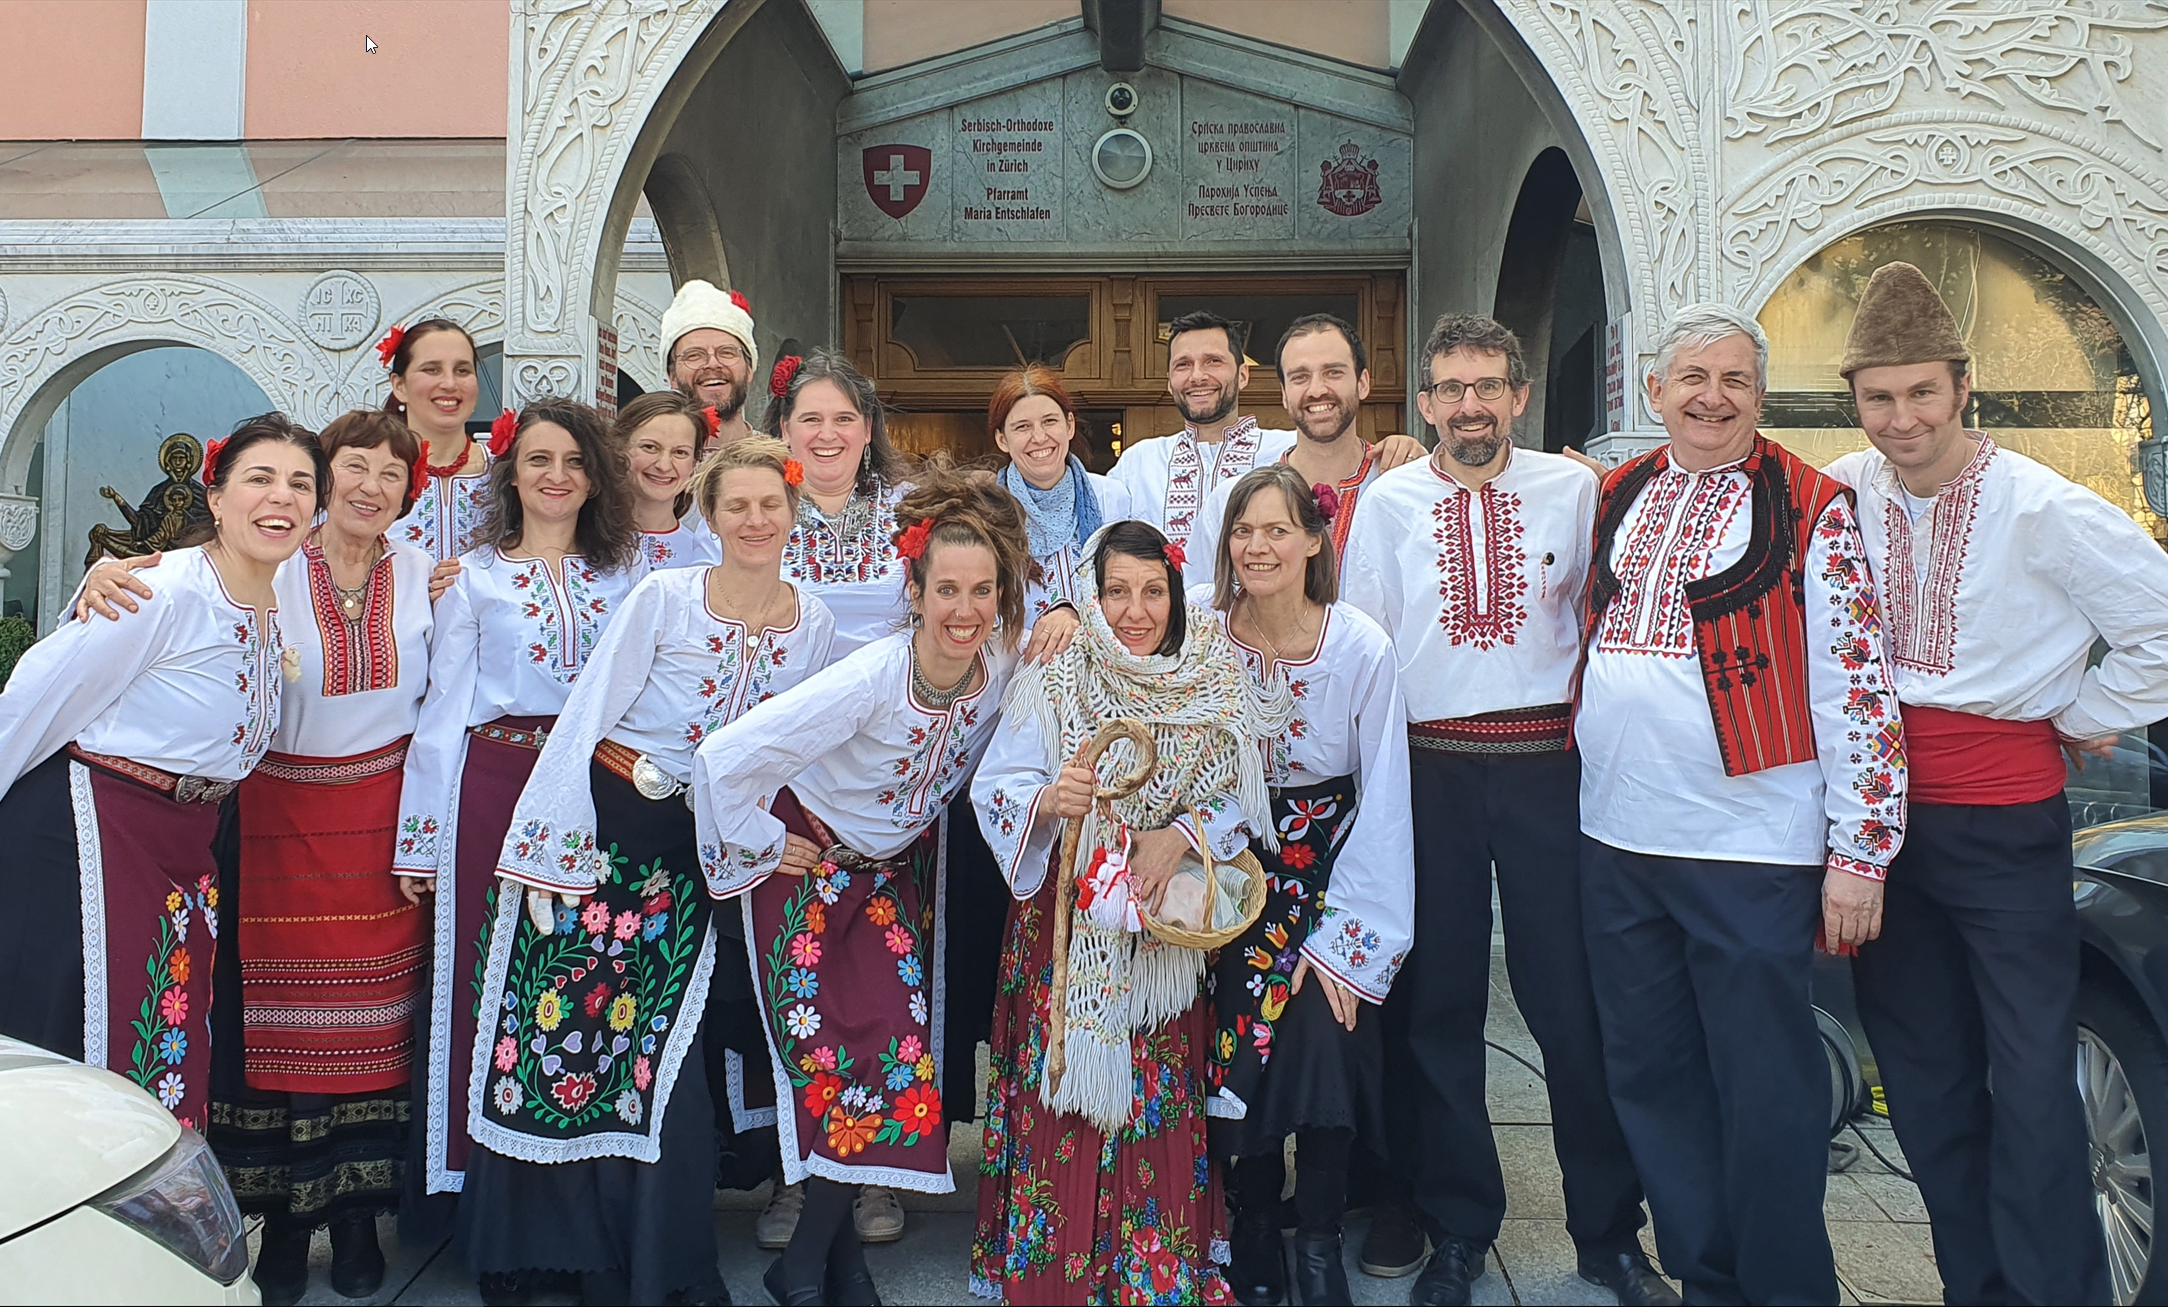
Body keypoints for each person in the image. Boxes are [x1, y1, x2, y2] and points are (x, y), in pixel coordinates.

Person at [1827, 263, 2168, 1305]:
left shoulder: (2041, 505)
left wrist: (2072, 712)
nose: (1900, 418)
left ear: (1960, 387)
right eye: (1878, 396)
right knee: (1922, 1081)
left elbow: (2156, 623)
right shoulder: (1841, 486)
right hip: (1879, 825)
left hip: (2004, 820)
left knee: (2027, 1082)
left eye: (1920, 392)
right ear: (1855, 400)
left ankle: (2053, 1292)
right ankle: (1974, 1288)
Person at [1577, 305, 1906, 1305]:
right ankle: (1704, 1276)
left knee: (1764, 1084)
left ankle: (1785, 1286)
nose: (1708, 395)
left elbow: (1855, 681)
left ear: (1759, 399)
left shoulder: (1813, 504)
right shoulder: (1618, 490)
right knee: (1650, 1074)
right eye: (1690, 377)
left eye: (1731, 379)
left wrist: (1860, 848)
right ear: (1653, 393)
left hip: (1749, 843)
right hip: (1613, 832)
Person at [1340, 315, 1668, 1307]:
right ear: (1425, 401)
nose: (1467, 405)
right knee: (1436, 1008)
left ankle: (1608, 1234)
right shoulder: (1386, 502)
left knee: (1572, 1009)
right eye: (1448, 388)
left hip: (1546, 771)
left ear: (1518, 395)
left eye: (1486, 385)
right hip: (1428, 770)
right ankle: (1457, 1227)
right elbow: (1364, 647)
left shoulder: (1574, 491)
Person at [458, 436, 829, 1306]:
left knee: (662, 1058)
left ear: (792, 511)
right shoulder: (667, 597)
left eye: (769, 504)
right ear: (709, 515)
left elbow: (795, 747)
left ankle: (658, 1268)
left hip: (701, 848)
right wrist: (551, 848)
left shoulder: (810, 620)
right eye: (735, 505)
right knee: (562, 1037)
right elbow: (587, 712)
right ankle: (549, 1258)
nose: (754, 520)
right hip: (613, 824)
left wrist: (777, 840)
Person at [693, 470, 1033, 1306]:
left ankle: (812, 1264)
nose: (965, 608)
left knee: (889, 1063)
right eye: (946, 589)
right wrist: (770, 843)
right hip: (809, 872)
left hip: (887, 878)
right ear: (912, 592)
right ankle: (822, 1265)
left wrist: (1056, 614)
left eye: (982, 590)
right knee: (831, 1066)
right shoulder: (872, 675)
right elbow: (722, 759)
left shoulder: (999, 661)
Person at [971, 519, 1288, 1306]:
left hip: (1162, 924)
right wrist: (1051, 799)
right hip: (1070, 922)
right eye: (1116, 591)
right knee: (1069, 1082)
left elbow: (1239, 799)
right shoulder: (1056, 673)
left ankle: (1153, 1258)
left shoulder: (1210, 672)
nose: (1135, 611)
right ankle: (1059, 1265)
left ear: (1177, 595)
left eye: (1153, 591)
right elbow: (996, 785)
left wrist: (1175, 835)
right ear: (1091, 593)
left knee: (1153, 1087)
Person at [0, 414, 321, 1139]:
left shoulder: (278, 599)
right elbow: (36, 695)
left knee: (163, 1037)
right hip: (90, 834)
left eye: (301, 483)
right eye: (260, 478)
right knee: (86, 1043)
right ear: (215, 496)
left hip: (184, 841)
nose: (282, 497)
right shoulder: (159, 591)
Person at [391, 399, 641, 1227]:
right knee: (487, 982)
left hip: (597, 786)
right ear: (512, 472)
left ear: (596, 477)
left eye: (573, 460)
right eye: (538, 459)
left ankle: (577, 1192)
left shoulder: (630, 578)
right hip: (494, 783)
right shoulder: (475, 578)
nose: (557, 475)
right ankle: (481, 1198)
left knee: (584, 985)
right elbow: (439, 714)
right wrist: (420, 843)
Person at [1205, 465, 1415, 1307]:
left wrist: (1344, 940)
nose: (1258, 546)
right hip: (1226, 862)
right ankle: (1255, 1218)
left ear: (1314, 540)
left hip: (1333, 865)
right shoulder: (1203, 633)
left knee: (1328, 1016)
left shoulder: (1358, 644)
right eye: (1243, 530)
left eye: (1277, 529)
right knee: (1235, 1020)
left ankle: (1319, 1234)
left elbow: (1386, 794)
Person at [1188, 314, 1418, 585]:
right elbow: (1199, 604)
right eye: (1300, 377)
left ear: (1363, 383)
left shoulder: (1401, 487)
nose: (1317, 390)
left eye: (1333, 372)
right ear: (1284, 394)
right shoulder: (1231, 500)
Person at [1107, 310, 1298, 562]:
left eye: (1213, 361)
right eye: (1183, 365)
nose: (1197, 376)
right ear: (1169, 382)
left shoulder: (1291, 451)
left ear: (1243, 375)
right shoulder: (1139, 463)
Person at [770, 350, 914, 661]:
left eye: (843, 419)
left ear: (867, 429)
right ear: (785, 429)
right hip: (787, 697)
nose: (827, 434)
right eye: (811, 420)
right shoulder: (754, 509)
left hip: (890, 694)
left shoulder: (913, 507)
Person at [991, 363, 1133, 627]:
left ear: (1069, 426)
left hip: (1097, 656)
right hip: (1013, 658)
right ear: (1002, 439)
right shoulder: (985, 510)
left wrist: (1076, 615)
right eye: (1022, 427)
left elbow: (1129, 585)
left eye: (1049, 421)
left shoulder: (1110, 498)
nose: (1039, 437)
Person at [380, 319, 490, 562]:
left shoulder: (506, 471)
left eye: (462, 371)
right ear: (399, 386)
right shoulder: (367, 475)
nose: (450, 384)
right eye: (432, 370)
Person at [616, 390, 722, 572]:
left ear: (694, 464)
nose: (664, 466)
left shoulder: (708, 555)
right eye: (650, 447)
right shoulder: (580, 542)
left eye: (680, 452)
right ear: (619, 449)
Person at [662, 278, 761, 451]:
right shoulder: (657, 470)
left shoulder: (778, 463)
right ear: (672, 376)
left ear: (749, 369)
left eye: (727, 352)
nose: (712, 364)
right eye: (694, 355)